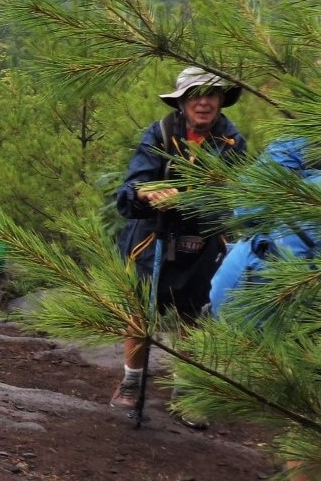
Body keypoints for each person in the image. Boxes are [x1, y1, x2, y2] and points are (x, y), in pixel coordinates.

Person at [110, 66, 245, 422]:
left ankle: (185, 392)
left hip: (202, 241)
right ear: (183, 102)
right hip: (152, 237)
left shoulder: (233, 142)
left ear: (220, 101)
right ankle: (131, 382)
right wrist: (147, 194)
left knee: (192, 318)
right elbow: (131, 187)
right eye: (194, 95)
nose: (203, 102)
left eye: (211, 95)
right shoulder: (159, 133)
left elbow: (234, 193)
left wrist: (193, 201)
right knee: (140, 312)